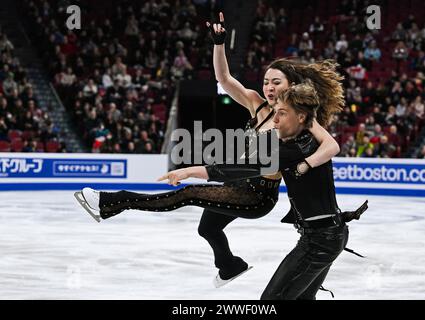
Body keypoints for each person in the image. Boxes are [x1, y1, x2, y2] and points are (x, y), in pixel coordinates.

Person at [75, 13, 360, 288]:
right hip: (236, 181)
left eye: (277, 82)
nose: (269, 87)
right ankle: (229, 265)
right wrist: (218, 44)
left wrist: (306, 163)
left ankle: (110, 202)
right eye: (266, 81)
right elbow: (224, 79)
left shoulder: (298, 119)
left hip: (257, 194)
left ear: (291, 85)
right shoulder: (256, 104)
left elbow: (330, 144)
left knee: (187, 193)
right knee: (207, 228)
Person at [162, 82, 367, 300]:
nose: (275, 120)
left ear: (300, 118)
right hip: (328, 234)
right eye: (275, 113)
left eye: (282, 113)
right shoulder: (305, 142)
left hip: (320, 241)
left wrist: (189, 171)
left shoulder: (295, 148)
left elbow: (236, 170)